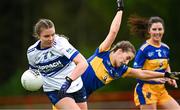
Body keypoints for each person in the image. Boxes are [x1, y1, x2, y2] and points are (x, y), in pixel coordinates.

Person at [26, 18, 89, 110]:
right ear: (38, 36)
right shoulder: (32, 52)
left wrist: (68, 81)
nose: (51, 39)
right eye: (46, 36)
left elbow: (83, 63)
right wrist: (31, 82)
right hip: (55, 90)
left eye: (53, 34)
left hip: (76, 85)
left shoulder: (61, 43)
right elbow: (33, 72)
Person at [128, 15, 180, 109]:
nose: (157, 32)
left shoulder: (165, 48)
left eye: (160, 29)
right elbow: (136, 74)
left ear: (163, 30)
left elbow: (166, 65)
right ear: (149, 31)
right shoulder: (144, 50)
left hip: (161, 91)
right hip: (146, 90)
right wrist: (155, 79)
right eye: (154, 29)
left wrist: (170, 77)